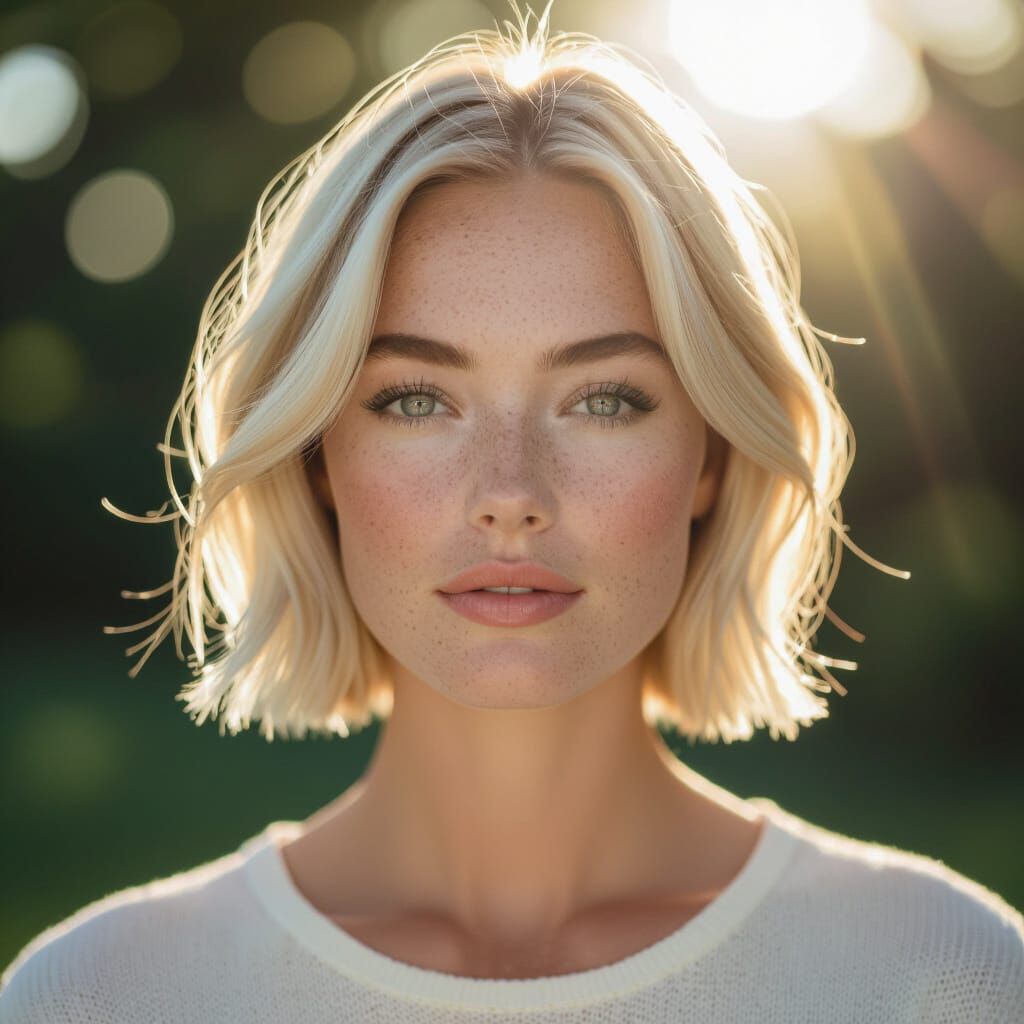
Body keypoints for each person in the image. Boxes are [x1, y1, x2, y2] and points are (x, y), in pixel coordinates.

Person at [2, 3, 1021, 1021]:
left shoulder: (944, 977)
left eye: (604, 400)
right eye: (415, 400)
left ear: (710, 452)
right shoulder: (97, 995)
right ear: (316, 453)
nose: (510, 495)